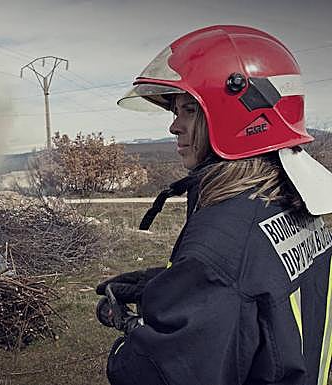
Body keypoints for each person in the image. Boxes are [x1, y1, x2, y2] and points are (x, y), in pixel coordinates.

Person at [96, 25, 332, 385]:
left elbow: (166, 374)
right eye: (175, 110)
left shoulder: (225, 237)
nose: (174, 126)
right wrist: (168, 285)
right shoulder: (294, 201)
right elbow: (260, 292)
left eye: (188, 110)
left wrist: (130, 337)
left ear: (236, 115)